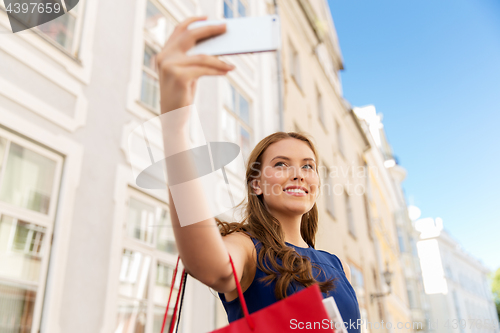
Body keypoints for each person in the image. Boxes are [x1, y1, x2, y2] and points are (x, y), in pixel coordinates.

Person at [156, 16, 361, 332]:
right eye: (281, 164)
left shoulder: (337, 265)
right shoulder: (247, 247)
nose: (298, 174)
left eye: (308, 166)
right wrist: (174, 128)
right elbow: (209, 265)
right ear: (256, 184)